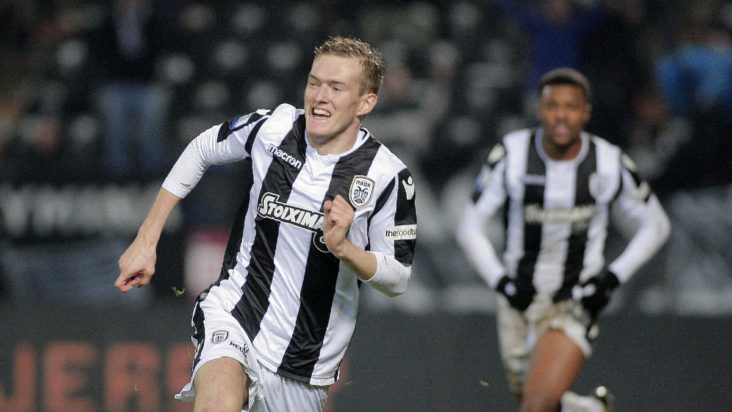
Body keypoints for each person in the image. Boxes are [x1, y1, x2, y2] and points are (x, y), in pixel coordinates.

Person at [114, 36, 417, 411]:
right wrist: (147, 239)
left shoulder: (388, 176)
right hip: (235, 311)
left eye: (336, 88)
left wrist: (344, 249)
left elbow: (397, 278)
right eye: (314, 83)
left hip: (304, 364)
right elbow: (203, 148)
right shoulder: (274, 128)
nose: (320, 97)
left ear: (365, 102)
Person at [456, 68, 670, 412]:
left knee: (536, 404)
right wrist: (502, 283)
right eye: (552, 106)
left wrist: (610, 281)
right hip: (518, 300)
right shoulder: (511, 154)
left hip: (575, 300)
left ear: (586, 113)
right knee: (536, 401)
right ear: (540, 111)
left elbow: (656, 225)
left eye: (571, 107)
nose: (561, 116)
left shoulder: (609, 161)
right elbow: (469, 226)